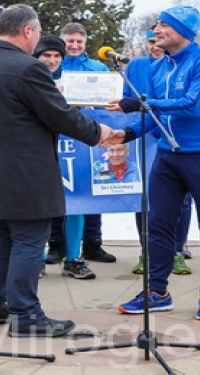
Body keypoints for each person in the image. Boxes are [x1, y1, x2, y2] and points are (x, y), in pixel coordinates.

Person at [0, 4, 113, 338]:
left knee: (4, 234)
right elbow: (60, 114)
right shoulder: (28, 68)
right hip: (26, 171)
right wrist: (99, 132)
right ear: (27, 30)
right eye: (37, 32)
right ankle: (25, 315)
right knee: (29, 239)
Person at [105, 5, 200, 321]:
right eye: (156, 25)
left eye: (164, 25)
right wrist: (127, 134)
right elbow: (156, 115)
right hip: (167, 155)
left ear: (183, 31)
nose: (156, 30)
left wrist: (139, 104)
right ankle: (157, 292)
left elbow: (192, 106)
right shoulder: (160, 67)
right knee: (158, 224)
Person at [124, 29, 193, 276]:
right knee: (143, 195)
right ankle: (147, 251)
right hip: (143, 135)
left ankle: (176, 251)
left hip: (174, 136)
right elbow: (126, 100)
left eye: (159, 41)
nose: (156, 46)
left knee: (181, 198)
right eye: (151, 41)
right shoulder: (135, 67)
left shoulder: (181, 65)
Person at [33, 35, 96, 281]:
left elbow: (89, 110)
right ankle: (37, 259)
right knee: (40, 206)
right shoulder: (29, 77)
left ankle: (73, 259)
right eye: (46, 55)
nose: (52, 60)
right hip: (39, 150)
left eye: (57, 56)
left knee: (76, 203)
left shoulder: (73, 81)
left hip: (72, 149)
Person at [55, 22, 116, 264]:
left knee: (91, 189)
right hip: (60, 137)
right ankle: (56, 244)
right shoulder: (53, 65)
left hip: (89, 136)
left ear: (85, 43)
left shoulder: (97, 68)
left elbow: (108, 100)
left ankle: (93, 242)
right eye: (70, 41)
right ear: (62, 41)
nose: (74, 45)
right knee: (57, 191)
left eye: (79, 41)